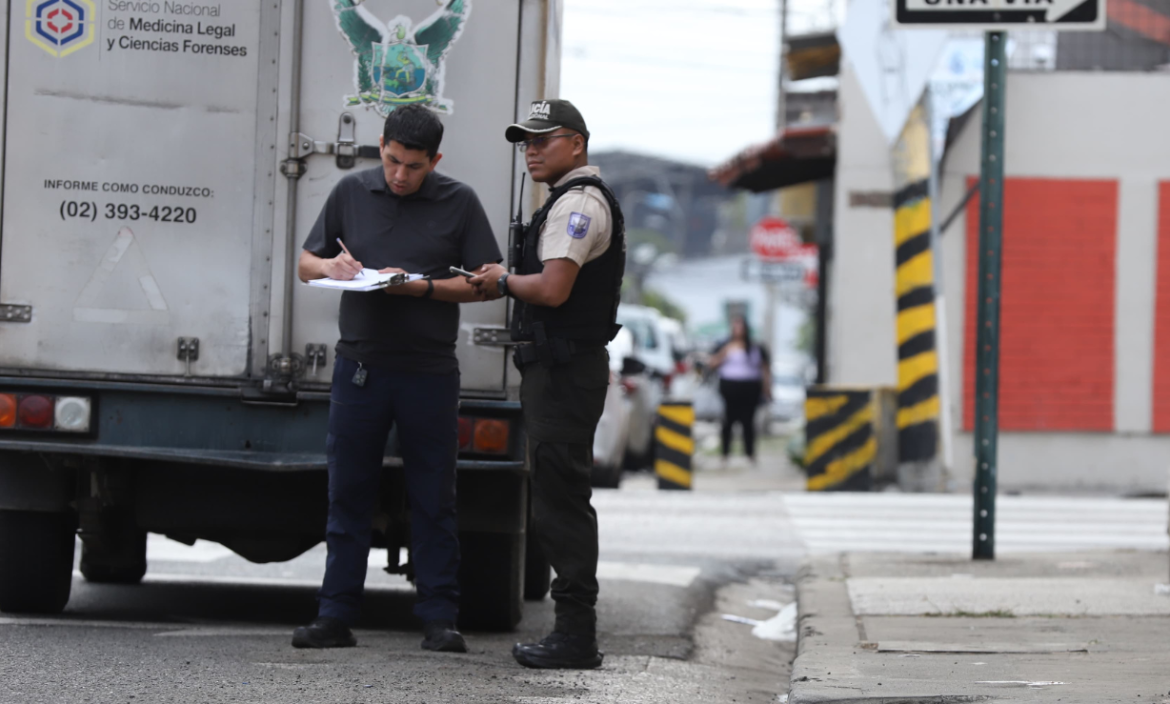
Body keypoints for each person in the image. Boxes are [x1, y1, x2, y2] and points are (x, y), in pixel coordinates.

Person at [291, 105, 501, 654]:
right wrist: (331, 269)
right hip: (360, 368)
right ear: (380, 145)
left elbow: (487, 283)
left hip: (428, 371)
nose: (400, 175)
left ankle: (439, 617)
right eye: (391, 161)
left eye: (413, 166)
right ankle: (334, 615)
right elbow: (305, 263)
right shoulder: (351, 192)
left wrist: (420, 288)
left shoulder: (460, 202)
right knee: (349, 493)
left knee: (434, 496)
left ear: (435, 160)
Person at [469, 99, 624, 670]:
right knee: (560, 501)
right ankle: (573, 633)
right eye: (526, 141)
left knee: (562, 505)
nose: (531, 149)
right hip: (559, 371)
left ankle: (575, 636)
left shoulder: (577, 206)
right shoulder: (565, 202)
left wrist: (505, 281)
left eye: (544, 139)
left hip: (564, 372)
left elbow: (555, 289)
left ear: (576, 144)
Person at [708, 315, 772, 465]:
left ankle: (750, 454)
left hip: (750, 388)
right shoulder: (725, 345)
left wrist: (767, 388)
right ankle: (725, 454)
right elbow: (712, 363)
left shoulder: (756, 347)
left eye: (741, 326)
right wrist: (726, 351)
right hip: (729, 388)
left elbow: (765, 369)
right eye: (735, 326)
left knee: (748, 422)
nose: (738, 330)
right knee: (728, 422)